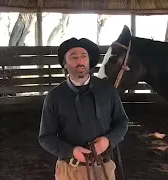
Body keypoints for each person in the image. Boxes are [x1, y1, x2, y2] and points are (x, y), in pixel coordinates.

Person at [38, 37, 129, 180]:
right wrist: (71, 151)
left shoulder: (107, 90)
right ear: (65, 64)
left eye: (83, 56)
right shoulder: (54, 97)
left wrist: (108, 140)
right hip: (69, 171)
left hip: (104, 170)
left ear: (89, 61)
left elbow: (122, 122)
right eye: (73, 57)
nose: (79, 61)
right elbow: (46, 138)